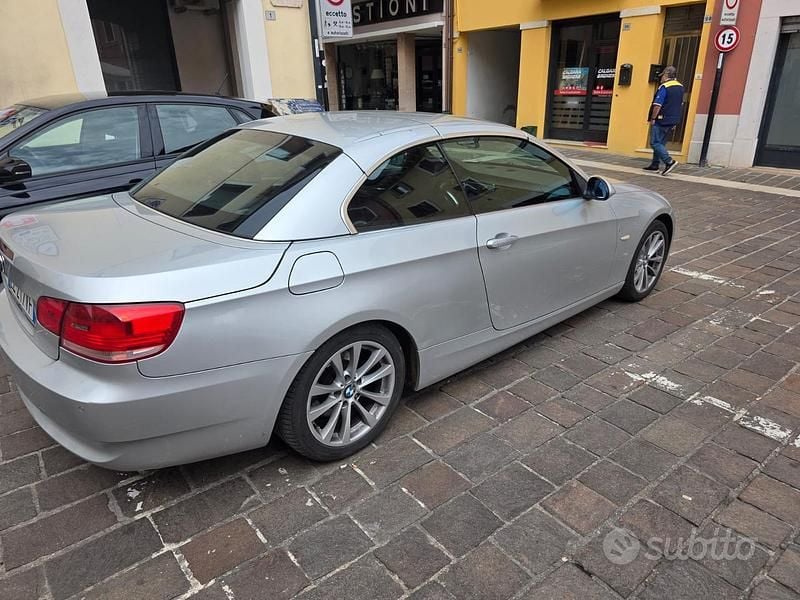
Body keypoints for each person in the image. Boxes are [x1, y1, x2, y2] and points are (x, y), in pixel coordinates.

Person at [643, 66, 684, 176]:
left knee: (655, 142)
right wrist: (675, 121)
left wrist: (653, 118)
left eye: (662, 76)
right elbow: (679, 105)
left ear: (666, 75)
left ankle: (669, 161)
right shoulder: (680, 87)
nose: (661, 78)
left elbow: (657, 105)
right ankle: (655, 164)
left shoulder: (664, 87)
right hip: (673, 119)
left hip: (662, 118)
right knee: (661, 143)